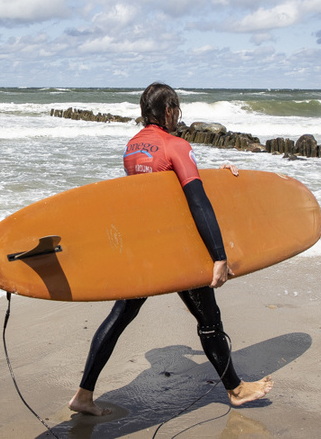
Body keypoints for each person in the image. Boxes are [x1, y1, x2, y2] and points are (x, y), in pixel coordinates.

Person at [68, 83, 274, 416]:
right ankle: (235, 389)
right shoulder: (176, 144)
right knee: (209, 319)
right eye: (177, 110)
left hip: (144, 248)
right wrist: (219, 256)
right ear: (168, 110)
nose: (178, 116)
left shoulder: (133, 147)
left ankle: (83, 395)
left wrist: (220, 179)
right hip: (176, 249)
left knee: (120, 316)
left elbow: (162, 193)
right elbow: (196, 200)